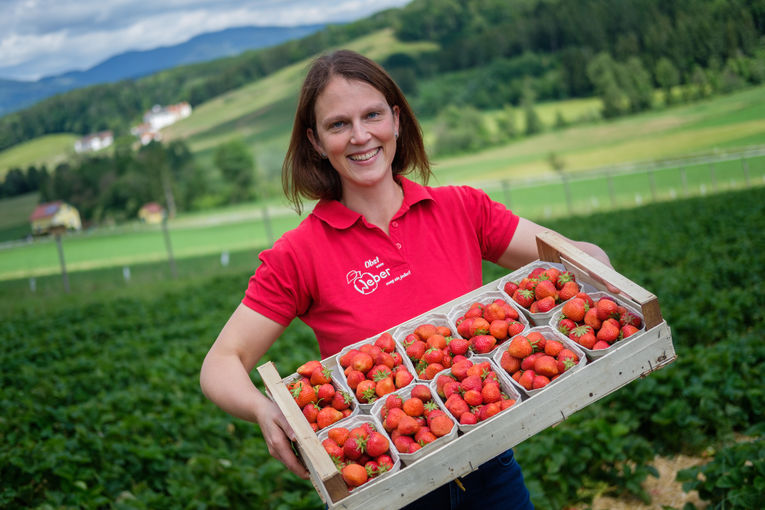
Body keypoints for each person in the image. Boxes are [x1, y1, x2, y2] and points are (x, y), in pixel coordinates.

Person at [200, 49, 616, 509]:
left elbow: (566, 252)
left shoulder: (462, 209)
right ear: (316, 141)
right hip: (389, 485)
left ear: (396, 120)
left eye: (372, 115)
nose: (361, 136)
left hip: (490, 465)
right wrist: (264, 408)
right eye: (338, 124)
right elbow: (221, 362)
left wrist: (602, 273)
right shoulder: (299, 254)